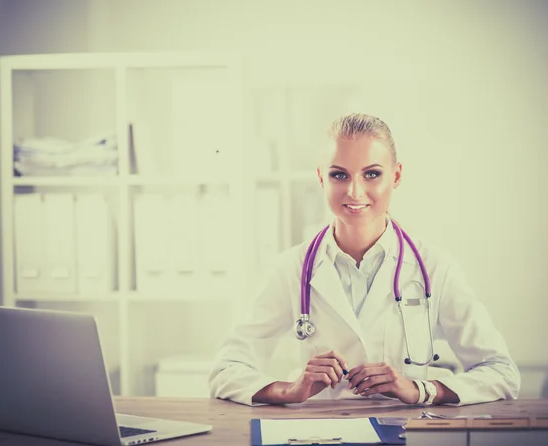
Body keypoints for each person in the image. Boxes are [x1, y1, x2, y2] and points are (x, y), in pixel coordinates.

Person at [209, 113, 520, 406]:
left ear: (396, 175)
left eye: (372, 174)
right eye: (339, 175)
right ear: (321, 178)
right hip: (318, 435)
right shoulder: (292, 269)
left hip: (405, 435)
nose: (355, 191)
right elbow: (226, 370)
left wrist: (419, 390)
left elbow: (501, 372)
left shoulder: (435, 268)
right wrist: (290, 390)